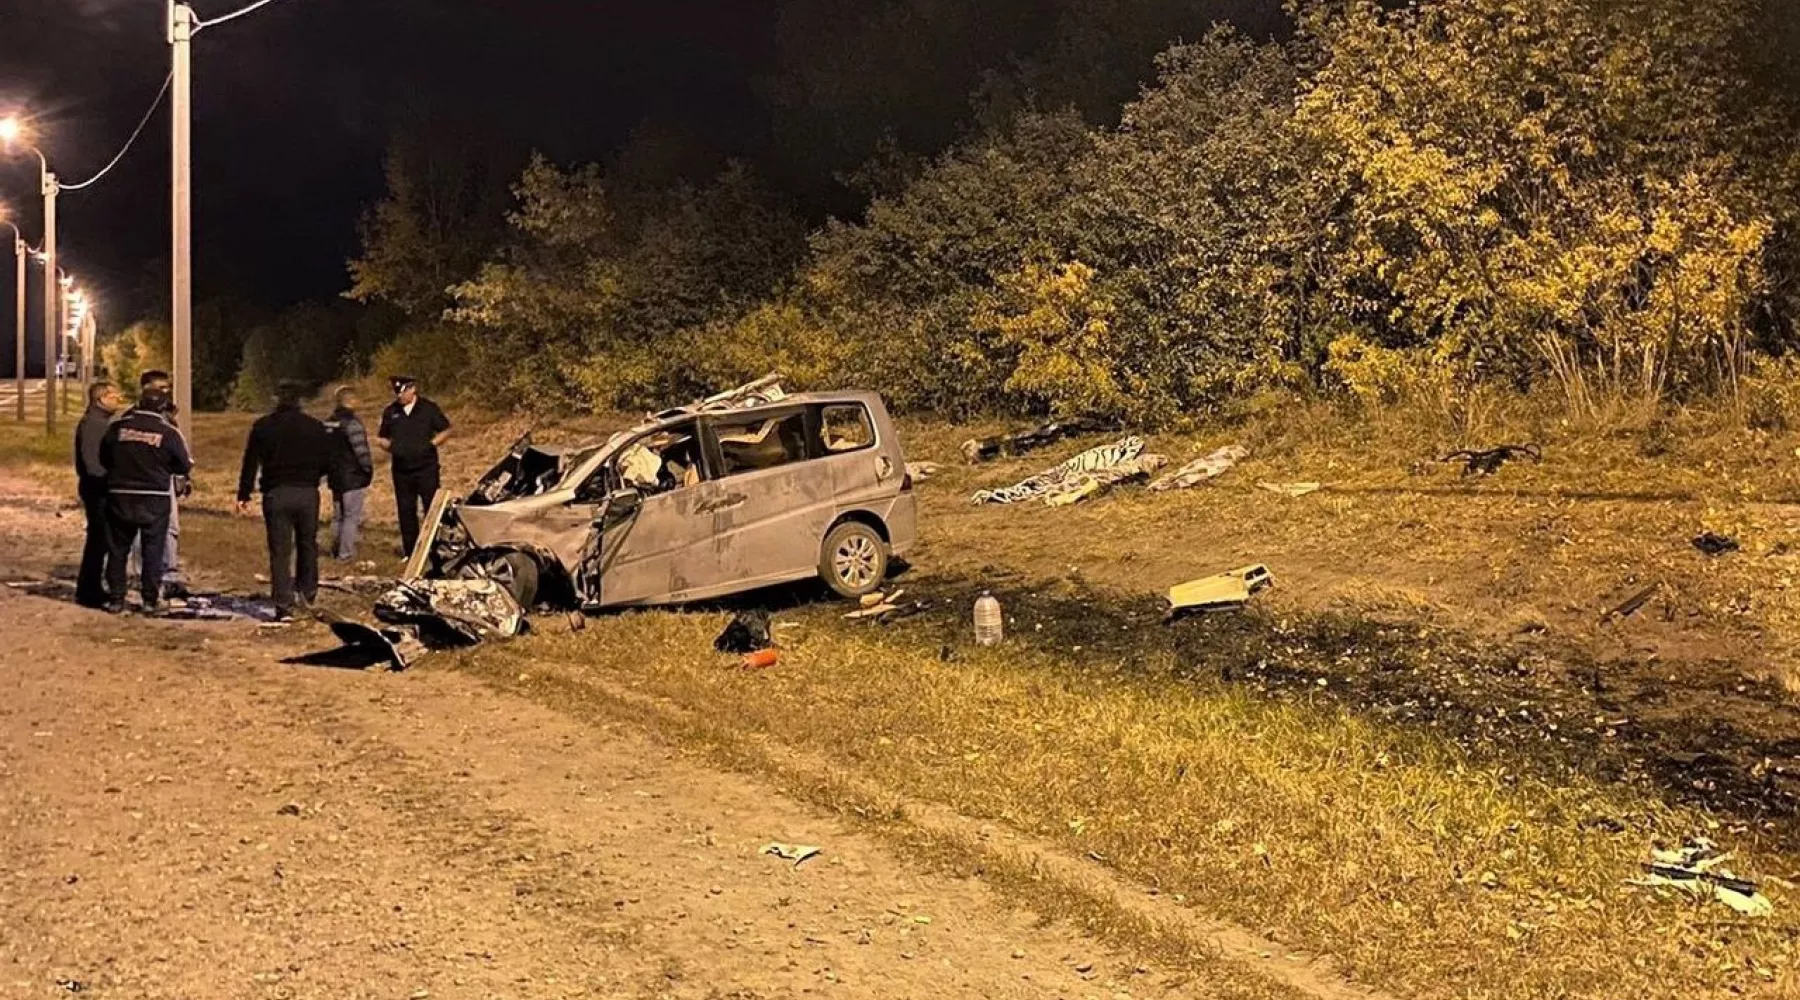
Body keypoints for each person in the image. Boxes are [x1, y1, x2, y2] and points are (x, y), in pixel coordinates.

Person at [236, 380, 334, 621]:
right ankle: (307, 594)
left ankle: (283, 605)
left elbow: (250, 462)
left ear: (276, 399)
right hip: (307, 492)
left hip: (276, 492)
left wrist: (244, 494)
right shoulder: (315, 427)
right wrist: (313, 476)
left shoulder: (263, 426)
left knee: (280, 550)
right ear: (300, 400)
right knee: (308, 545)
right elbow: (328, 460)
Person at [101, 387, 192, 613]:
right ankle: (150, 600)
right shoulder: (168, 433)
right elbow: (183, 465)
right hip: (154, 497)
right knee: (153, 550)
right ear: (162, 408)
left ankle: (116, 598)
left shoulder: (117, 428)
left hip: (120, 495)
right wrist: (164, 470)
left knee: (118, 549)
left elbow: (104, 457)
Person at [376, 375, 451, 559]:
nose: (399, 396)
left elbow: (446, 429)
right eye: (397, 393)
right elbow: (382, 437)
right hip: (402, 471)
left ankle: (435, 551)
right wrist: (392, 448)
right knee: (406, 511)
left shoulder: (428, 408)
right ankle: (411, 552)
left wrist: (431, 444)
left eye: (403, 392)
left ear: (412, 389)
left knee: (431, 509)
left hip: (426, 468)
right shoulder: (391, 411)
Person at [130, 369, 188, 597]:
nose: (166, 392)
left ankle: (169, 572)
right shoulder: (134, 418)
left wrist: (183, 477)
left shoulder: (169, 418)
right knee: (142, 530)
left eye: (167, 388)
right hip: (144, 482)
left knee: (171, 528)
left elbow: (178, 452)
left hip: (166, 481)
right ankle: (142, 574)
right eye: (160, 388)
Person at [73, 380, 124, 608]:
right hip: (97, 489)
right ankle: (88, 590)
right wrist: (110, 481)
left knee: (100, 540)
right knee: (98, 539)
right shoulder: (95, 424)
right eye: (113, 396)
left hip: (98, 487)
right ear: (101, 399)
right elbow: (92, 463)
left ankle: (91, 587)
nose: (118, 399)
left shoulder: (100, 422)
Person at [323, 385, 374, 561]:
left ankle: (335, 549)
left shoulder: (328, 422)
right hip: (352, 477)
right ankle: (345, 554)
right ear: (350, 401)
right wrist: (367, 470)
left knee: (338, 517)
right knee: (351, 517)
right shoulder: (353, 423)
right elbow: (361, 451)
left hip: (335, 477)